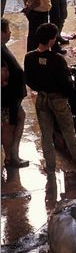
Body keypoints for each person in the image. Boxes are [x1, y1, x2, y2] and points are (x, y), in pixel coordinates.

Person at [24, 23, 76, 173]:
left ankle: (50, 167)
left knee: (46, 134)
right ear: (51, 40)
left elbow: (28, 80)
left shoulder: (29, 57)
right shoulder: (58, 60)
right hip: (59, 100)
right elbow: (68, 84)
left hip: (42, 98)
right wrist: (68, 97)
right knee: (69, 130)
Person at [1, 18, 29, 168]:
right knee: (8, 126)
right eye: (7, 31)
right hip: (7, 99)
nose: (10, 33)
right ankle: (11, 158)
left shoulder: (2, 47)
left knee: (18, 119)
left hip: (12, 98)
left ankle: (13, 154)